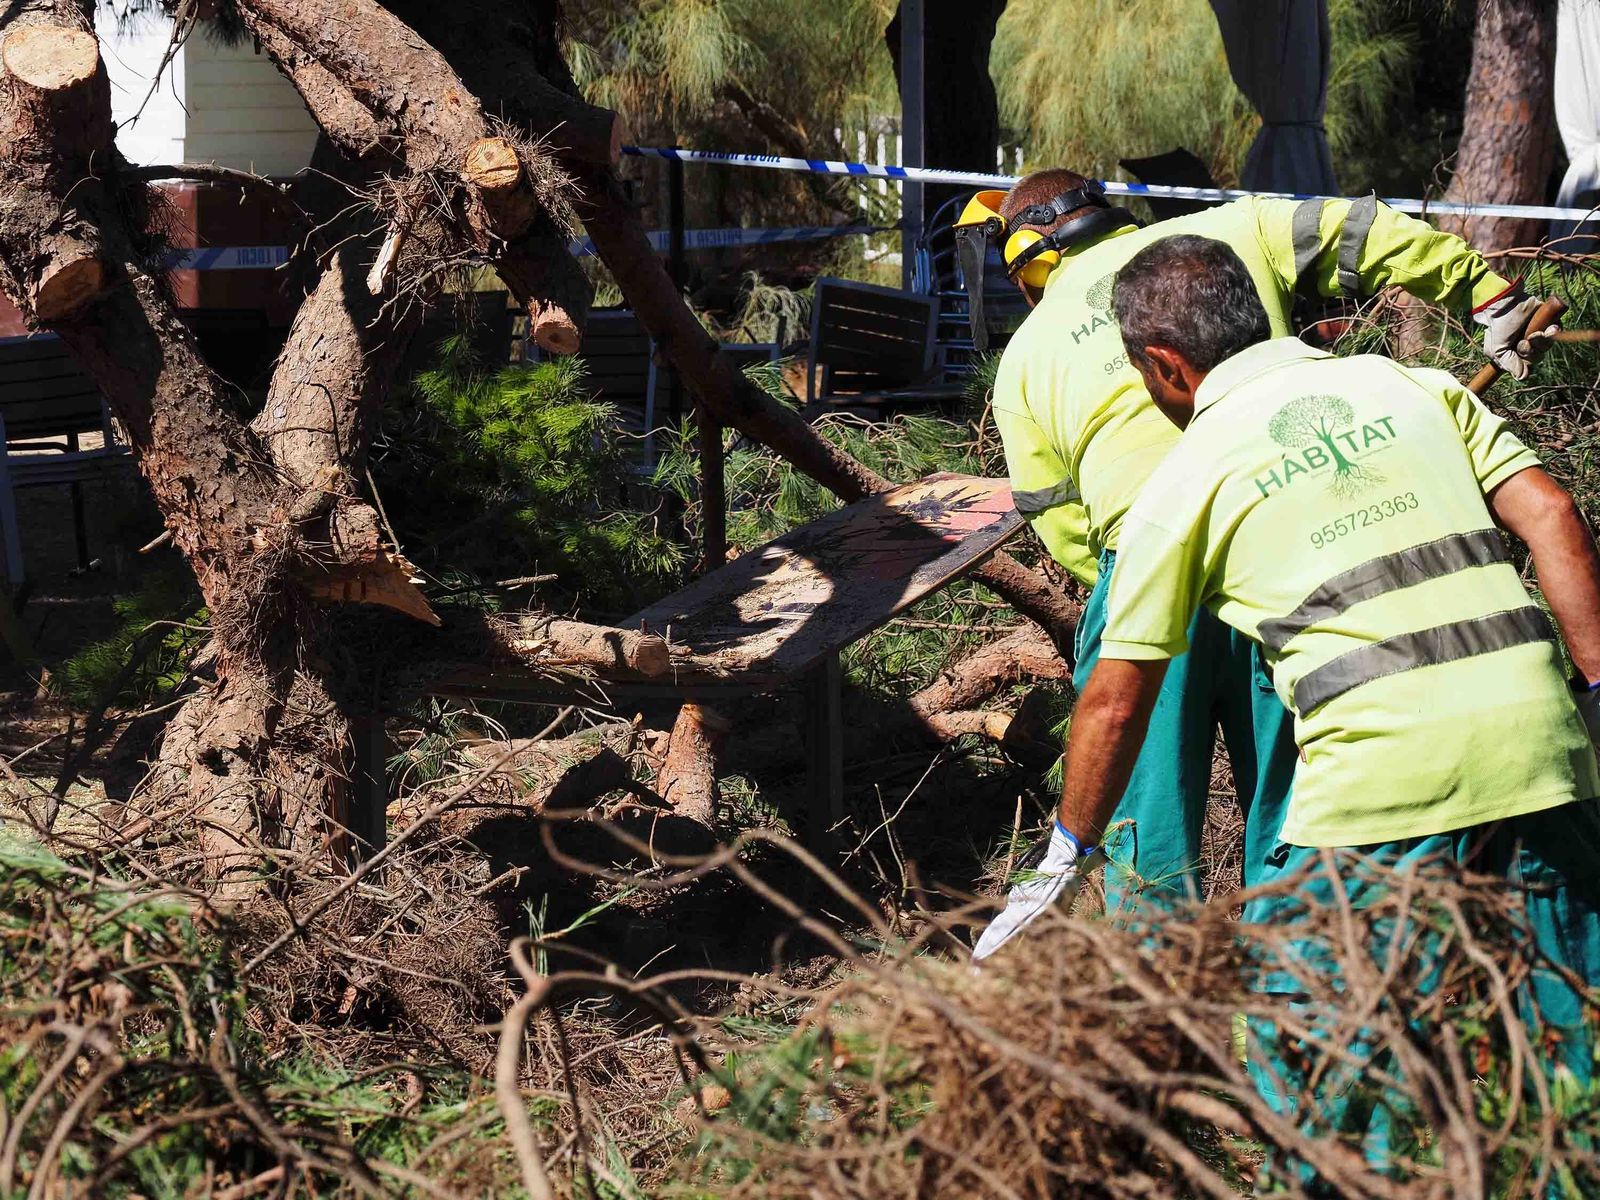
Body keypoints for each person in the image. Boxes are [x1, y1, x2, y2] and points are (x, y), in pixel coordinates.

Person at [983, 233, 1600, 1179]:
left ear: (1165, 366)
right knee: (1568, 1065)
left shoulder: (1181, 482)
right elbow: (1554, 514)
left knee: (1316, 1070)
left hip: (1388, 793)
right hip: (1546, 753)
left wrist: (1067, 851)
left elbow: (1114, 699)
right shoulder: (1416, 388)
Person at [958, 170, 1552, 925]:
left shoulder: (1025, 356)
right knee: (1294, 807)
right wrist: (1487, 295)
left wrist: (1149, 583)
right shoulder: (1230, 235)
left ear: (1029, 260)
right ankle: (1305, 989)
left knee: (1149, 834)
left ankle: (1169, 1017)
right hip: (1279, 553)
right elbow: (1365, 228)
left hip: (1147, 564)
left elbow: (1053, 514)